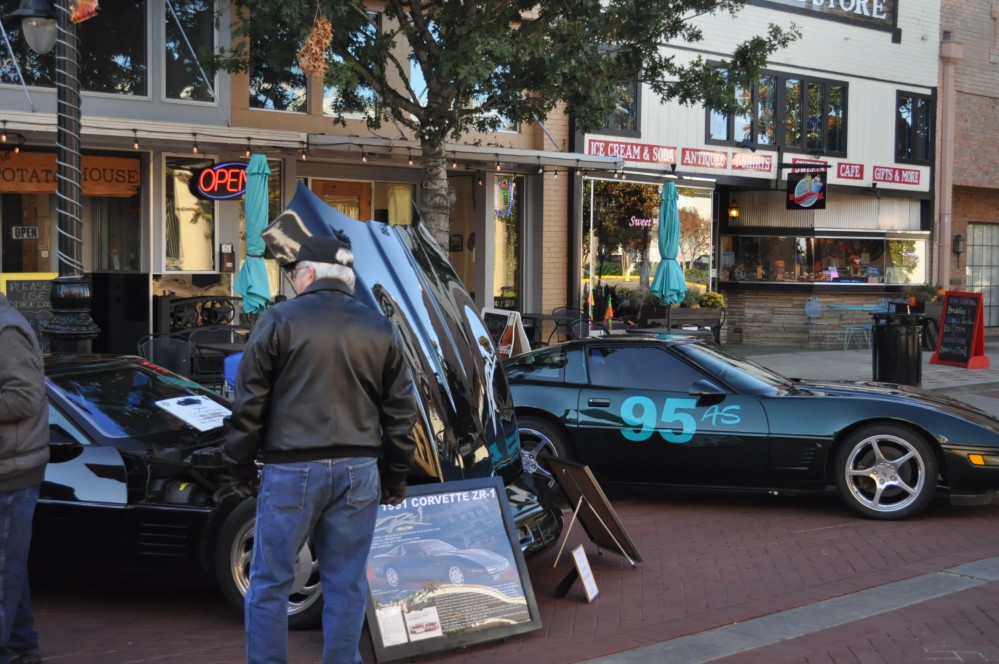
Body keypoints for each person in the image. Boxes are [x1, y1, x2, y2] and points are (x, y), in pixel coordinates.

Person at [223, 233, 418, 664]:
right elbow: (401, 414)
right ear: (346, 278)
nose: (293, 280)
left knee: (271, 581)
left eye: (294, 273)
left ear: (307, 274)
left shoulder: (278, 320)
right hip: (359, 468)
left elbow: (249, 403)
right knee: (346, 582)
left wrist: (237, 466)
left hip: (292, 467)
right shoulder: (379, 327)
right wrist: (396, 477)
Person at [0, 293, 49, 664]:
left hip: (12, 472)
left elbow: (24, 398)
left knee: (3, 573)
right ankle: (21, 647)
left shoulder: (7, 329)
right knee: (7, 569)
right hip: (10, 466)